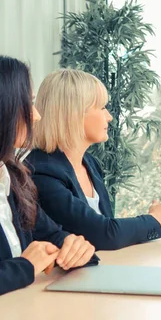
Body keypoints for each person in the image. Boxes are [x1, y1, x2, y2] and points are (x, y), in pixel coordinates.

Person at [25, 69, 161, 251]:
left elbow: (107, 226)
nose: (109, 117)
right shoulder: (41, 172)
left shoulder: (90, 163)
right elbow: (104, 234)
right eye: (102, 108)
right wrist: (155, 220)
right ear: (74, 113)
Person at [0, 57, 97, 295]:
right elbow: (26, 266)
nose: (36, 116)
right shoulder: (41, 168)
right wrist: (25, 266)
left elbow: (51, 234)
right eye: (28, 104)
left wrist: (74, 247)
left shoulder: (12, 177)